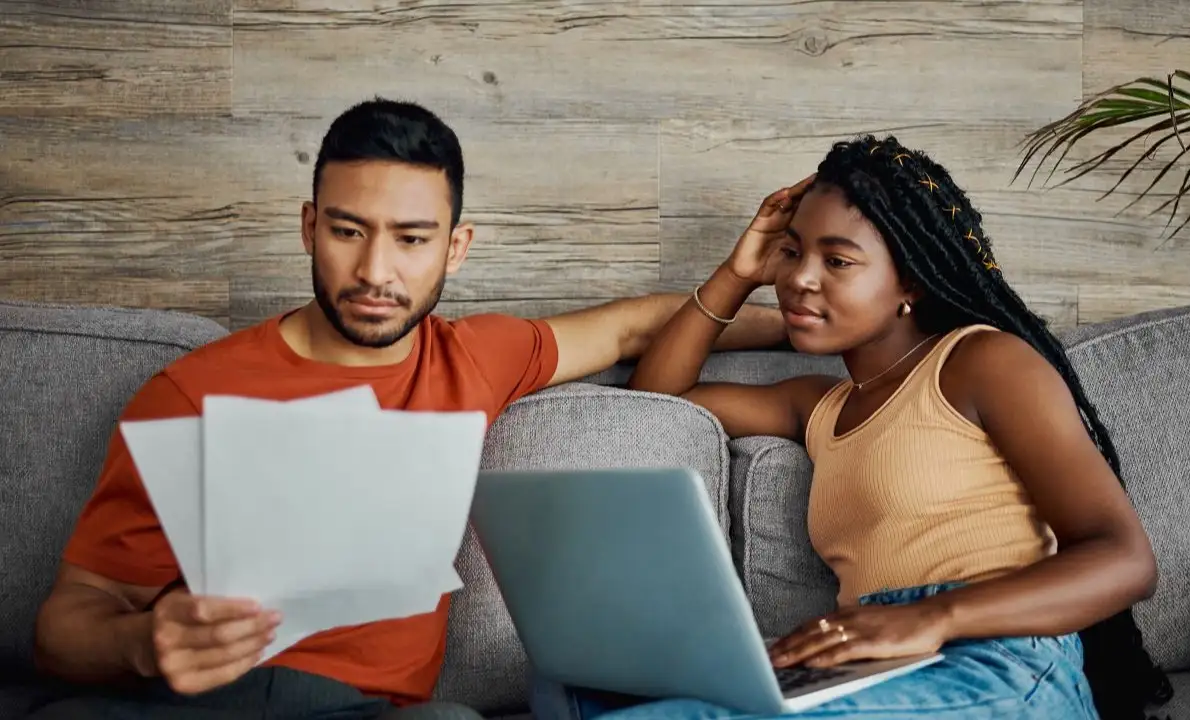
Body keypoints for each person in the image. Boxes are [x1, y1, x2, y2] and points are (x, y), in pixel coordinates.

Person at [26, 98, 787, 720]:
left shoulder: (474, 357)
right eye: (347, 231)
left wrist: (810, 313)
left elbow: (633, 325)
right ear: (308, 228)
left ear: (455, 248)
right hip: (202, 704)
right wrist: (141, 643)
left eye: (411, 239)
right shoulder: (191, 393)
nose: (374, 271)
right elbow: (69, 623)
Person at [532, 136, 1173, 720]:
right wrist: (736, 275)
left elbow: (1123, 557)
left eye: (837, 261)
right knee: (574, 686)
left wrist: (930, 618)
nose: (798, 279)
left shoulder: (983, 362)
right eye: (791, 253)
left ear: (911, 282)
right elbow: (658, 401)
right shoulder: (822, 407)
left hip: (999, 661)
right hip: (873, 659)